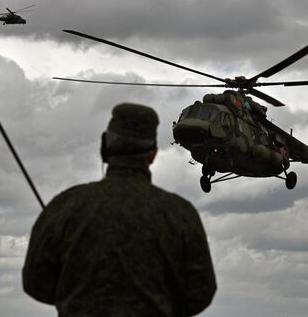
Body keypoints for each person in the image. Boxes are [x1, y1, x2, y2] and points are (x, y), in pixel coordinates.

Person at [22, 103, 217, 316]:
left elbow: (35, 283)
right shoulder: (180, 213)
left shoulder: (65, 206)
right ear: (152, 155)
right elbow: (201, 293)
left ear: (104, 147)